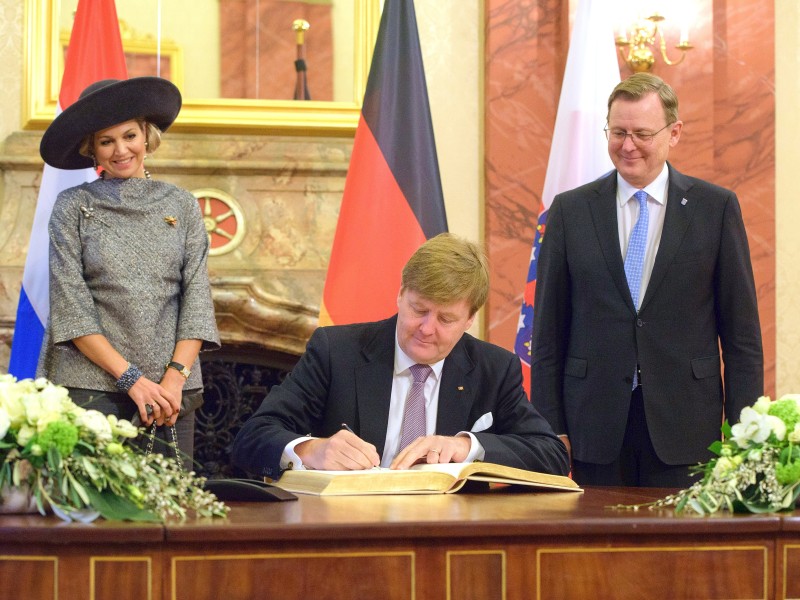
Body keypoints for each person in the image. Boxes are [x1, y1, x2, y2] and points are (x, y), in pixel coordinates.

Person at [530, 72, 764, 487]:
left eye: (641, 133)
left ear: (673, 133)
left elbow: (742, 337)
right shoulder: (570, 211)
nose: (627, 145)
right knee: (593, 549)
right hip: (593, 425)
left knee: (683, 550)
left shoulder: (716, 208)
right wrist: (550, 428)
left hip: (688, 425)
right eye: (617, 132)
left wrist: (746, 434)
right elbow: (548, 333)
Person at [232, 233, 569, 480]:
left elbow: (551, 453)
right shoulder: (336, 351)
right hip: (347, 530)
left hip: (448, 535)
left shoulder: (492, 368)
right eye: (418, 309)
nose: (426, 328)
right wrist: (310, 450)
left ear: (469, 320)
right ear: (400, 294)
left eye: (446, 319)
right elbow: (253, 437)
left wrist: (469, 448)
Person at [36, 77, 220, 468]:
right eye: (107, 141)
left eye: (130, 135)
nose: (121, 150)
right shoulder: (72, 206)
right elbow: (72, 308)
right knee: (93, 521)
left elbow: (197, 301)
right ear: (92, 149)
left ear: (146, 136)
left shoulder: (182, 204)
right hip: (90, 387)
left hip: (171, 393)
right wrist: (132, 380)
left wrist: (173, 380)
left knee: (171, 514)